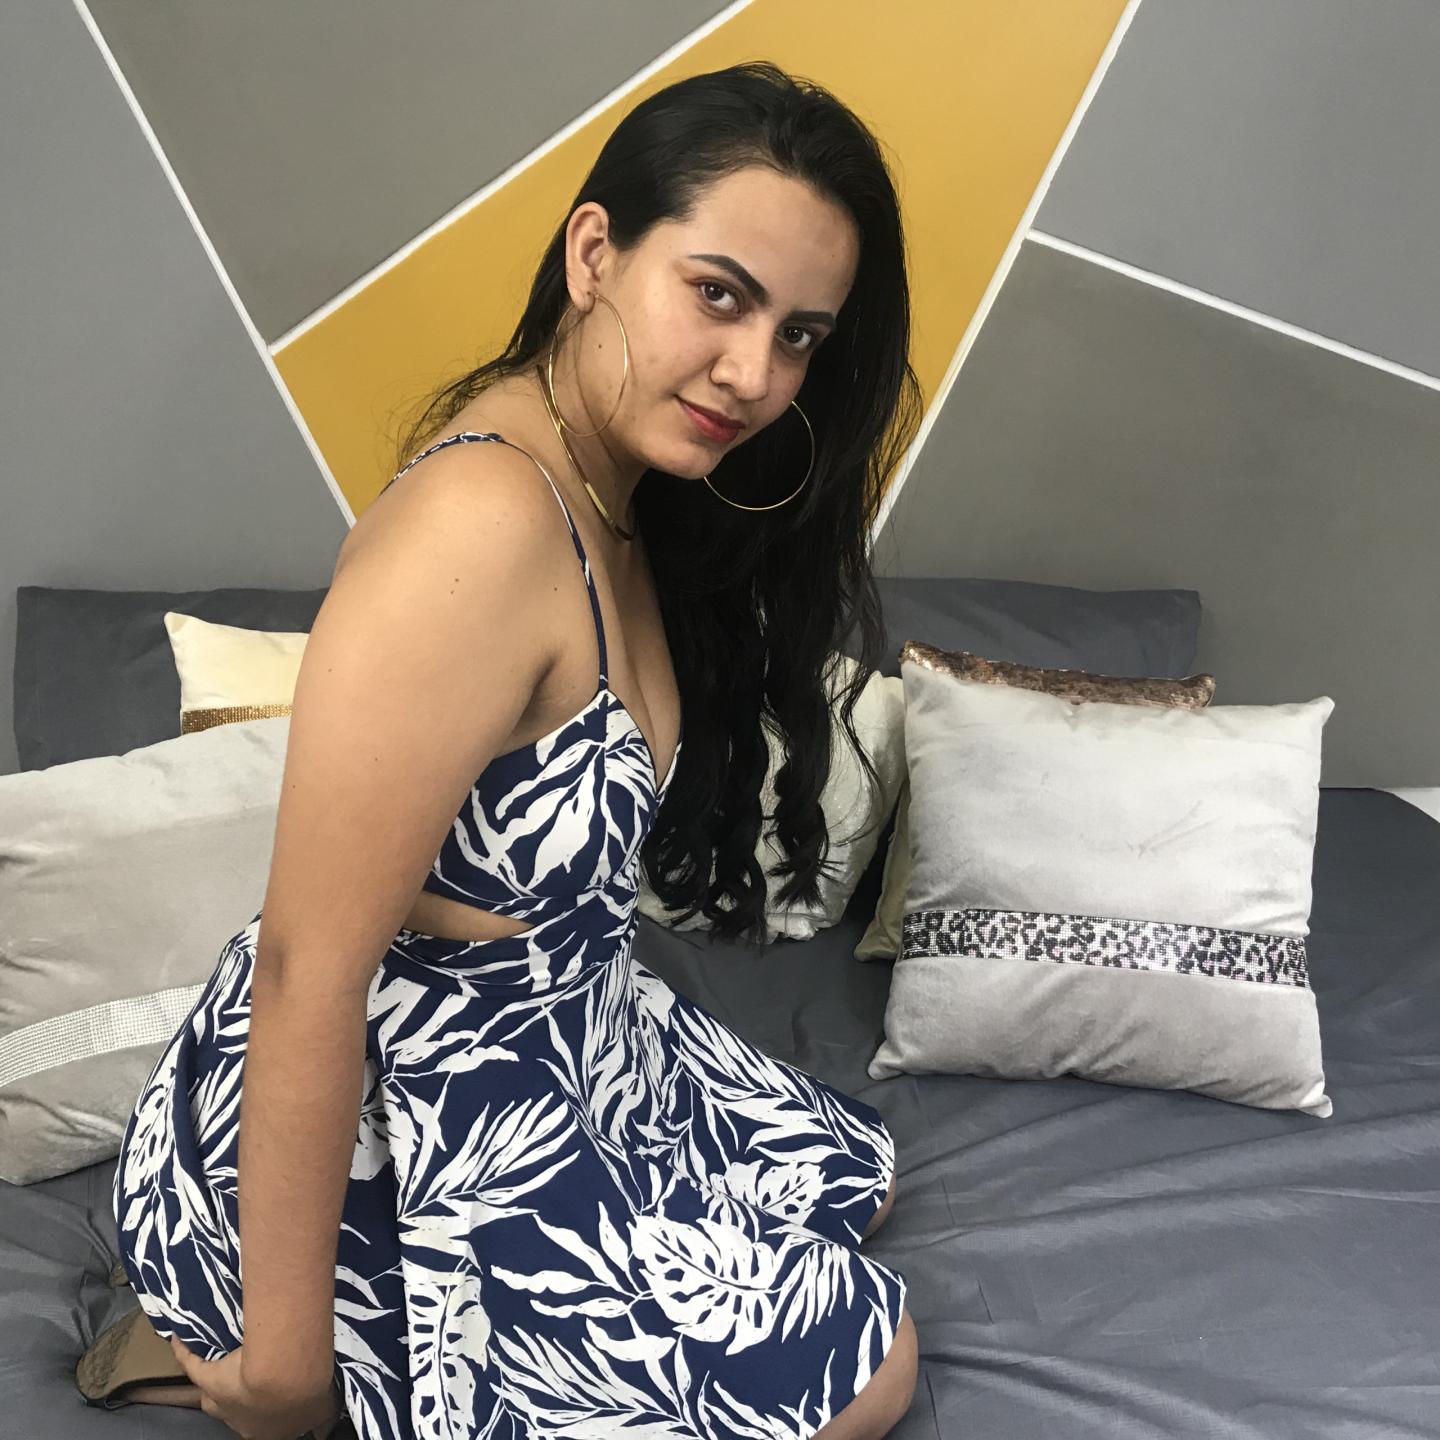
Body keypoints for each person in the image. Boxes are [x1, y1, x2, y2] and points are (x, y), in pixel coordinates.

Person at [92, 59, 923, 1440]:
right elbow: (307, 968)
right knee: (868, 1367)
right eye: (718, 295)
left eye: (799, 335)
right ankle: (244, 1330)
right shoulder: (476, 530)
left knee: (853, 1176)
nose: (754, 375)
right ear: (595, 253)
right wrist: (287, 1379)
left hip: (574, 1025)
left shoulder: (623, 482)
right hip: (416, 1104)